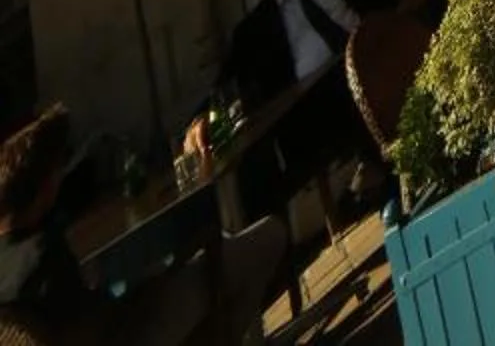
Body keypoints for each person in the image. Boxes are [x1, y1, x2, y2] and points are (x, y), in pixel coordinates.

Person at [1, 103, 283, 346]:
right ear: (43, 188)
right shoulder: (43, 255)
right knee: (268, 235)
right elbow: (97, 328)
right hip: (134, 335)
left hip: (119, 326)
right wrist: (152, 283)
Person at [184, 0, 367, 227]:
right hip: (313, 111)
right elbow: (226, 83)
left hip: (366, 62)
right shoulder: (256, 27)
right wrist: (198, 120)